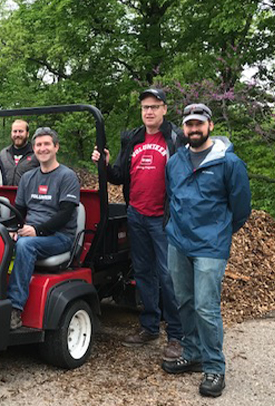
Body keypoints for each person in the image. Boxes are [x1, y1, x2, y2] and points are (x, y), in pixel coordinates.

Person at [161, 103, 251, 398]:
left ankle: (214, 367)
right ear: (184, 128)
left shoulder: (229, 163)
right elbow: (171, 198)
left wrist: (220, 232)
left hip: (210, 246)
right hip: (179, 242)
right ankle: (193, 351)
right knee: (184, 300)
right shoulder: (175, 162)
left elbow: (240, 209)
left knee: (206, 307)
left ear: (210, 126)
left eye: (199, 123)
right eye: (189, 124)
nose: (194, 129)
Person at [91, 88, 186, 360]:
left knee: (168, 276)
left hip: (164, 219)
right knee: (144, 272)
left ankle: (176, 336)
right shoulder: (133, 139)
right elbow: (120, 176)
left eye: (155, 106)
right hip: (136, 215)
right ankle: (149, 326)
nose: (149, 112)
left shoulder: (175, 139)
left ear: (165, 109)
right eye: (145, 107)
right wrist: (106, 166)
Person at [8, 127, 80, 329]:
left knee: (25, 245)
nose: (43, 148)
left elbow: (65, 214)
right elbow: (19, 210)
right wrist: (15, 228)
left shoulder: (67, 177)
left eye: (47, 144)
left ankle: (15, 308)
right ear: (34, 149)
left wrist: (36, 230)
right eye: (38, 145)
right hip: (31, 233)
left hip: (60, 237)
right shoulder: (28, 178)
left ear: (56, 147)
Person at [0, 119, 39, 186]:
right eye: (15, 131)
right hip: (6, 195)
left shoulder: (36, 154)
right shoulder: (3, 154)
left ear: (27, 134)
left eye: (21, 131)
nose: (17, 134)